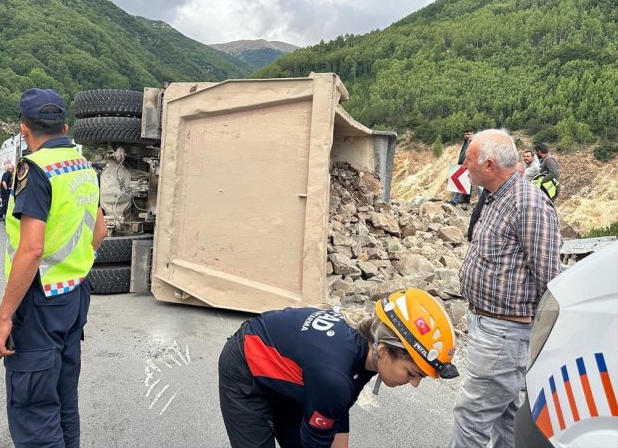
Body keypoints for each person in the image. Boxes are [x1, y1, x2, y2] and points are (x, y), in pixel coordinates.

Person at [0, 88, 107, 447]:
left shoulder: (34, 170)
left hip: (39, 303)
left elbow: (31, 249)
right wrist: (76, 266)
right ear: (65, 126)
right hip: (74, 296)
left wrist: (4, 317)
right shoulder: (84, 167)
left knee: (35, 406)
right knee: (63, 398)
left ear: (24, 130)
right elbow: (99, 230)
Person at [219, 288, 459, 448]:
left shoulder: (368, 349)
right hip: (246, 364)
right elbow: (319, 436)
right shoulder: (334, 376)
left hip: (298, 370)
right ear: (384, 350)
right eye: (412, 373)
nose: (415, 383)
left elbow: (338, 410)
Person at [450, 130, 561, 448]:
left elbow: (549, 278)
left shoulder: (528, 204)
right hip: (489, 325)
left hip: (504, 333)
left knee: (471, 416)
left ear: (488, 164)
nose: (463, 166)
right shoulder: (496, 196)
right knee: (506, 415)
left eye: (468, 160)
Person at [450, 129, 473, 205]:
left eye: (468, 134)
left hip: (466, 164)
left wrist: (466, 163)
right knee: (466, 182)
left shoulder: (472, 142)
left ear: (472, 134)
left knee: (460, 181)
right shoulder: (466, 142)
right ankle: (465, 199)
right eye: (466, 134)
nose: (467, 136)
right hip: (462, 163)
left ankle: (455, 201)